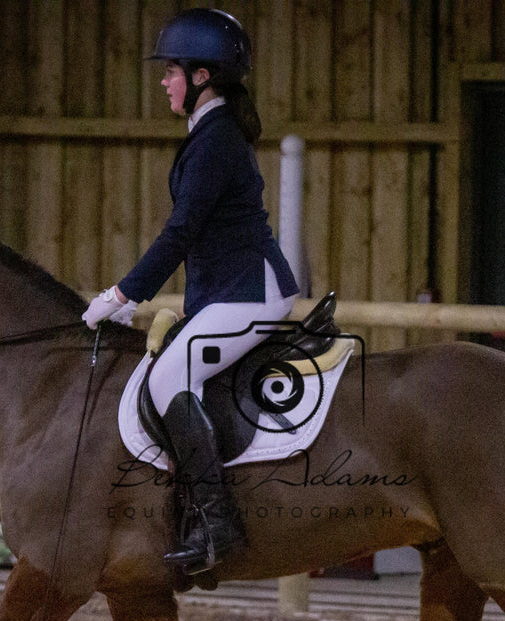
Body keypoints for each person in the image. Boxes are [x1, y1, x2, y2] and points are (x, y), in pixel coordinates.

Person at [83, 8, 298, 575]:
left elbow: (182, 232)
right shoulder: (210, 133)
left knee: (170, 377)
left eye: (171, 71)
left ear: (202, 76)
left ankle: (217, 524)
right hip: (231, 293)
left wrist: (123, 294)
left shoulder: (216, 139)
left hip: (253, 294)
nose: (164, 81)